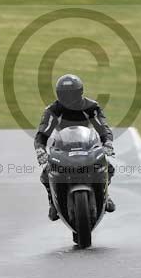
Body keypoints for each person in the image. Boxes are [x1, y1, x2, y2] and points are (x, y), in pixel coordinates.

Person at [34, 74, 116, 221]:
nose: (68, 98)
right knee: (46, 173)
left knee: (108, 167)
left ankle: (106, 195)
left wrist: (108, 142)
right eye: (64, 95)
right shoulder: (52, 110)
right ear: (58, 94)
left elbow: (103, 127)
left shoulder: (91, 107)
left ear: (80, 92)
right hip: (62, 147)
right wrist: (40, 149)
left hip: (88, 145)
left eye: (71, 94)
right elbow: (42, 133)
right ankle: (53, 202)